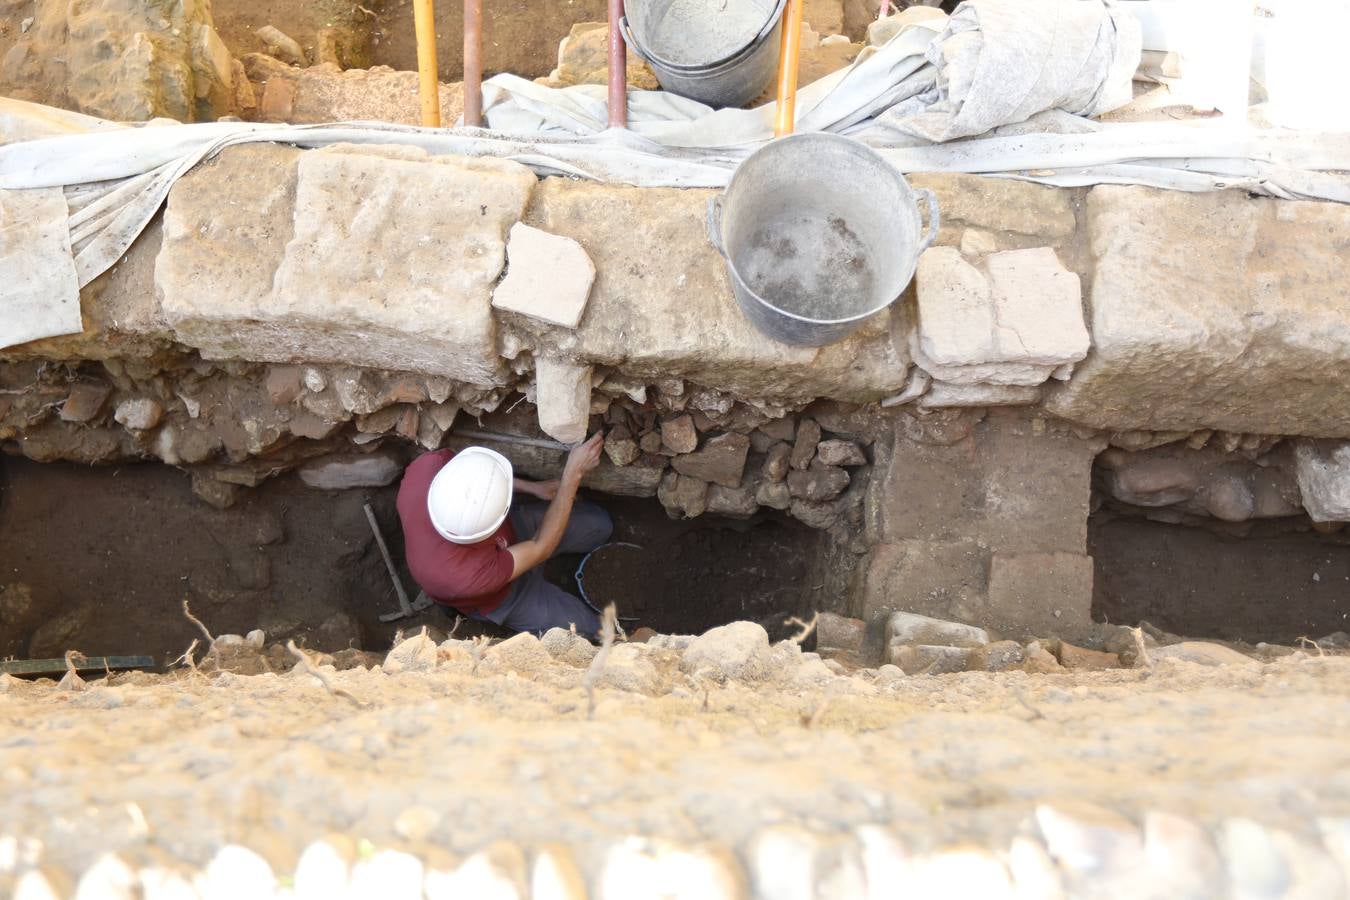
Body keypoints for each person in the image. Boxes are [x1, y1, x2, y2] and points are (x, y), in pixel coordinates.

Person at [396, 434, 611, 637]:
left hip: (511, 535)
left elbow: (481, 477)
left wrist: (532, 487)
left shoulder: (427, 469)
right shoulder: (464, 576)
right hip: (506, 596)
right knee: (592, 627)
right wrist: (573, 474)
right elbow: (540, 546)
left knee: (600, 526)